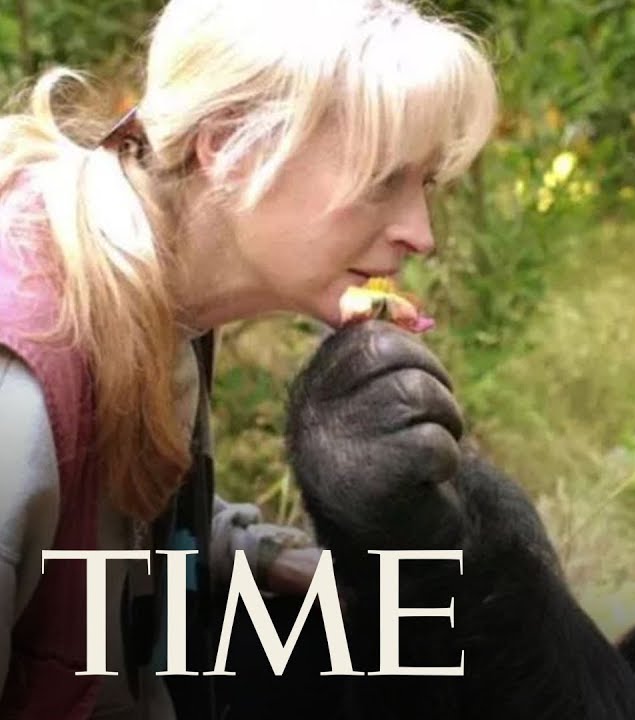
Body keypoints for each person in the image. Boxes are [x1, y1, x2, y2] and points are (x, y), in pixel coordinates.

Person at [0, 0, 498, 718]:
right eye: (384, 178)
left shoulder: (144, 278)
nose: (421, 234)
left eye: (426, 184)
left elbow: (115, 518)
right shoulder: (22, 375)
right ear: (231, 146)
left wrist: (255, 551)